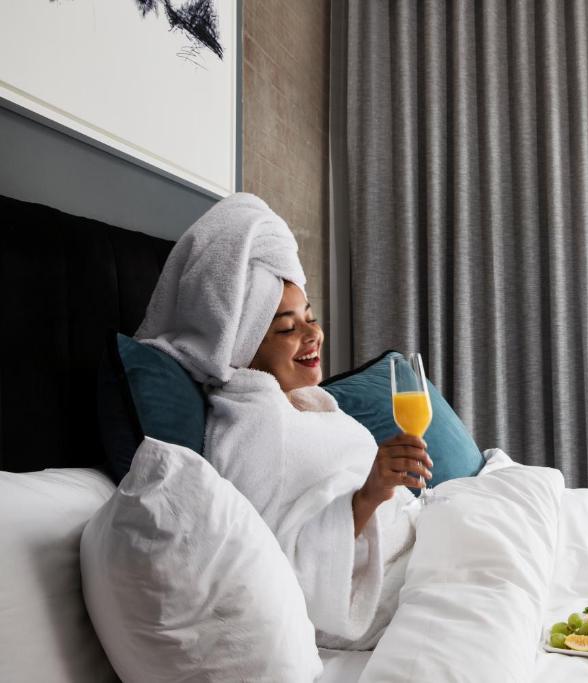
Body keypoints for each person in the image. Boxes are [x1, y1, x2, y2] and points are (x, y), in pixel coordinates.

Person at [134, 193, 426, 649]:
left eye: (310, 318)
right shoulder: (251, 427)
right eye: (287, 328)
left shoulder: (309, 402)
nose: (313, 335)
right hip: (383, 592)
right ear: (244, 342)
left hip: (414, 550)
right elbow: (280, 568)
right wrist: (370, 495)